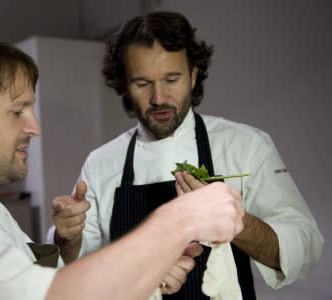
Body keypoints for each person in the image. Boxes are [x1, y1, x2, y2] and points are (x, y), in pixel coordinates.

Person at [0, 35, 245, 300]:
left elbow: (62, 285)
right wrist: (179, 220)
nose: (34, 127)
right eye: (17, 111)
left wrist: (147, 278)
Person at [49, 11, 324, 300]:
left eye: (172, 79)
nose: (158, 98)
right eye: (142, 83)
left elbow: (305, 249)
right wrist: (66, 236)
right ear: (125, 85)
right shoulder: (102, 163)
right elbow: (75, 267)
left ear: (193, 75)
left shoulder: (246, 145)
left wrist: (238, 222)